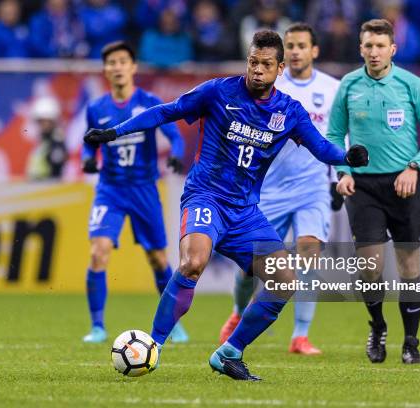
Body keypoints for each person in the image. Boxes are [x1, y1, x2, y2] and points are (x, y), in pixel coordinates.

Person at [84, 30, 369, 380]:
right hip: (206, 197)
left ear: (280, 68)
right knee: (193, 262)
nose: (257, 70)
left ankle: (230, 352)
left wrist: (347, 157)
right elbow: (164, 112)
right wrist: (114, 133)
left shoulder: (289, 111)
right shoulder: (217, 91)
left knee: (283, 279)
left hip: (245, 211)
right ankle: (153, 346)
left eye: (266, 64)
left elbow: (321, 149)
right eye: (253, 62)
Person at [218, 22, 342, 356]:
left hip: (313, 185)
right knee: (251, 265)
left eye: (303, 44)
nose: (297, 50)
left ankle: (300, 335)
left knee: (308, 250)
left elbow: (340, 136)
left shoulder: (333, 89)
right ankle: (236, 312)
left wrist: (339, 177)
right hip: (269, 187)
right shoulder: (267, 85)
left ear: (314, 50)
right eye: (292, 45)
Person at [328, 19, 420, 364]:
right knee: (369, 265)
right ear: (360, 49)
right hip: (363, 187)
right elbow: (335, 135)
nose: (375, 52)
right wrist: (344, 170)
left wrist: (414, 166)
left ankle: (411, 343)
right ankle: (378, 327)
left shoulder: (411, 84)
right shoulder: (349, 85)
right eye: (369, 46)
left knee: (409, 266)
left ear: (392, 49)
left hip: (404, 184)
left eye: (381, 46)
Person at [81, 41, 188, 344]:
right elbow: (89, 141)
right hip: (110, 190)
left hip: (144, 189)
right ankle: (98, 327)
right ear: (105, 69)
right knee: (97, 251)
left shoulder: (148, 101)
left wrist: (177, 153)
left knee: (157, 258)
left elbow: (173, 134)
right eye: (111, 62)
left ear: (133, 67)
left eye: (122, 61)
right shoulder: (96, 108)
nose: (117, 67)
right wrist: (87, 159)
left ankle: (172, 324)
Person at [26, 96, 68, 180]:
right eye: (40, 121)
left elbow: (56, 169)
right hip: (37, 186)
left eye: (46, 121)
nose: (43, 125)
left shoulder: (56, 142)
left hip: (47, 186)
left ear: (54, 121)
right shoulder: (43, 140)